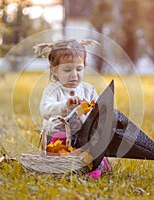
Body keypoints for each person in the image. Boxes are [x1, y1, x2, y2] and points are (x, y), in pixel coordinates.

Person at [34, 39, 111, 178]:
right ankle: (63, 165)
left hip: (82, 137)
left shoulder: (88, 90)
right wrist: (66, 106)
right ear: (55, 70)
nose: (74, 75)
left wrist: (91, 112)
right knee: (60, 139)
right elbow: (45, 110)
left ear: (84, 67)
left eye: (79, 69)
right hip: (58, 137)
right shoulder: (53, 90)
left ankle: (94, 165)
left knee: (95, 142)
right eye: (67, 70)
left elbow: (98, 114)